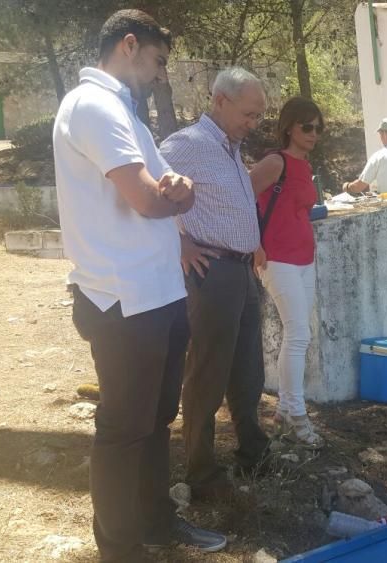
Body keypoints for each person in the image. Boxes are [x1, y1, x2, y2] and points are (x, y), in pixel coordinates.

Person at [53, 9, 226, 560]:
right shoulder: (94, 106)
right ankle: (119, 549)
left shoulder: (130, 116)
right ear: (128, 46)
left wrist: (180, 189)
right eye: (157, 61)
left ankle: (154, 521)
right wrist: (173, 192)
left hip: (158, 292)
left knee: (155, 421)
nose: (159, 74)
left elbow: (179, 199)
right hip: (123, 298)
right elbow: (150, 200)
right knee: (125, 429)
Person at [159, 67, 270, 500]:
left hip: (242, 271)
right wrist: (180, 241)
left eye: (259, 116)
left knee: (247, 370)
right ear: (220, 101)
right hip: (212, 274)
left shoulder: (229, 148)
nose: (254, 123)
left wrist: (254, 244)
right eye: (248, 114)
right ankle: (201, 472)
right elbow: (147, 192)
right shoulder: (187, 145)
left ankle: (252, 452)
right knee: (207, 374)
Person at [249, 97, 326, 448]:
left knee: (300, 333)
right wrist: (254, 244)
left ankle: (283, 410)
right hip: (276, 258)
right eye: (307, 126)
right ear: (289, 127)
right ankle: (296, 415)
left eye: (318, 128)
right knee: (297, 334)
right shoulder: (275, 162)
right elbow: (240, 198)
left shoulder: (304, 165)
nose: (313, 133)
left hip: (303, 258)